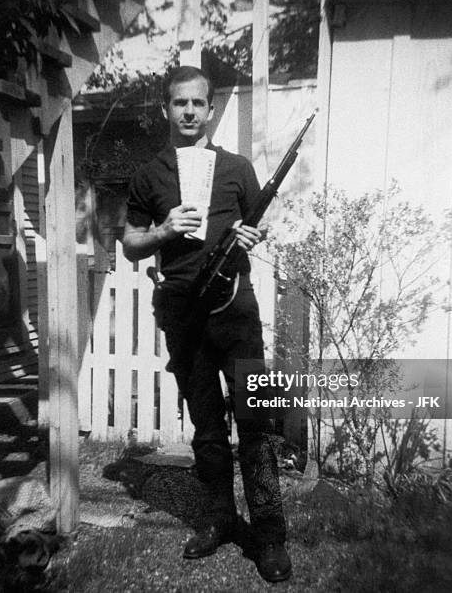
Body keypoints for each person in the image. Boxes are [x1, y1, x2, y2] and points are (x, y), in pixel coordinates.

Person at [122, 66, 291, 583]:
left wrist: (252, 237)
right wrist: (163, 230)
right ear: (165, 110)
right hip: (182, 315)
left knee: (256, 423)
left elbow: (260, 224)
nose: (190, 112)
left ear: (211, 109)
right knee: (207, 427)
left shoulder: (238, 167)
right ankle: (219, 519)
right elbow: (130, 243)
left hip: (237, 314)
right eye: (180, 104)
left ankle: (269, 534)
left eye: (198, 103)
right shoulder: (148, 173)